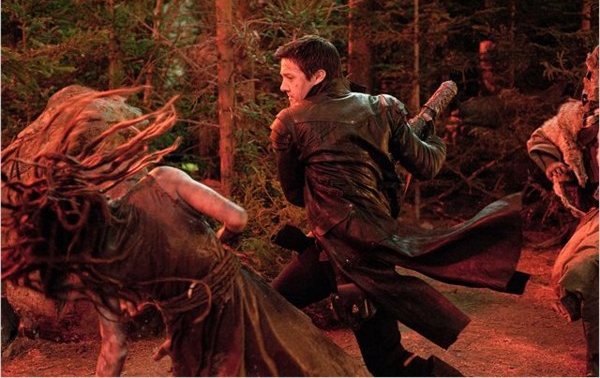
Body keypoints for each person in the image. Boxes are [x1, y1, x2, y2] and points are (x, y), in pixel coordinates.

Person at [1, 88, 370, 377]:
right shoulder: (164, 181)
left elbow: (114, 350)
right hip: (244, 302)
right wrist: (215, 248)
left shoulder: (99, 267)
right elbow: (238, 218)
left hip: (190, 336)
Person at [270, 35, 529, 376]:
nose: (283, 86)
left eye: (289, 77)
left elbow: (293, 194)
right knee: (384, 360)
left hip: (352, 256)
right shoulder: (383, 107)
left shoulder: (288, 122)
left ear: (318, 76)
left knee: (270, 312)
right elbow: (427, 164)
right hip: (350, 249)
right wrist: (429, 133)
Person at [527, 45, 599, 376]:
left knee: (587, 268)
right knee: (583, 271)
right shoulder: (578, 119)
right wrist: (553, 164)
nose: (590, 80)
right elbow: (542, 138)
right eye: (590, 74)